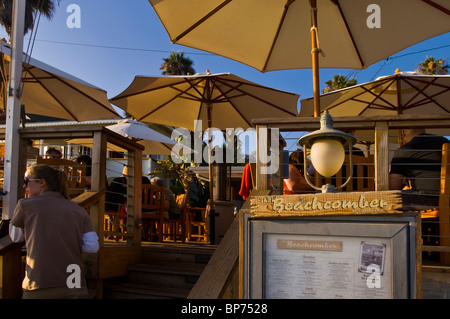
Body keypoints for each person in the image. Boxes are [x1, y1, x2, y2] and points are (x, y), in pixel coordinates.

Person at [9, 164, 99, 299]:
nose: (24, 186)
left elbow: (16, 237)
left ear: (42, 182)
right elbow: (92, 247)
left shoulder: (25, 205)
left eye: (26, 181)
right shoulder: (78, 210)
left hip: (40, 280)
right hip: (73, 280)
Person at [389, 128, 449, 208]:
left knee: (387, 201)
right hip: (447, 197)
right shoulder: (445, 141)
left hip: (427, 200)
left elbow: (394, 186)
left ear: (403, 133)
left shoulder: (405, 150)